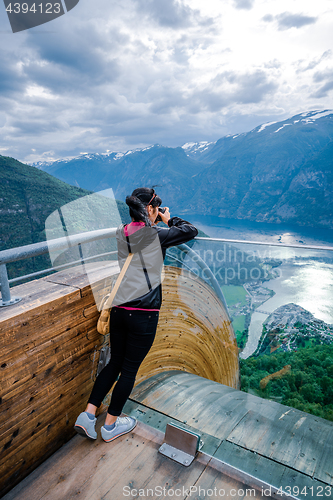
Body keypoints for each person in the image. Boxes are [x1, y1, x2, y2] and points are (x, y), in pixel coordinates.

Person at [74, 187, 198, 442]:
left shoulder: (122, 231)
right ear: (150, 209)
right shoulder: (156, 234)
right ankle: (110, 426)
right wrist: (168, 219)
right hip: (144, 314)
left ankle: (87, 416)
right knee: (129, 370)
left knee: (114, 364)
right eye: (156, 208)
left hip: (119, 309)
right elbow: (190, 231)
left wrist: (153, 219)